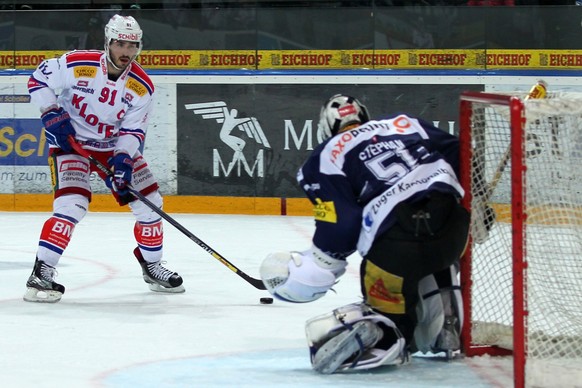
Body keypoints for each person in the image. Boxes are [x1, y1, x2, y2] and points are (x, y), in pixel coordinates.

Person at [260, 94, 471, 374]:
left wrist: (324, 265)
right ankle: (443, 325)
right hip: (454, 229)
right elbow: (462, 155)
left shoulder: (326, 155)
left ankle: (388, 333)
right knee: (434, 256)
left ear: (326, 127)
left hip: (396, 246)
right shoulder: (405, 123)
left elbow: (343, 223)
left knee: (388, 292)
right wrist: (477, 207)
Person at [23, 14, 184, 303]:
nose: (127, 52)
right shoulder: (78, 63)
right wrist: (51, 112)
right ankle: (42, 271)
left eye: (133, 46)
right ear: (109, 42)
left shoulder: (141, 86)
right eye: (121, 44)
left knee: (151, 203)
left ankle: (152, 265)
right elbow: (38, 80)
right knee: (72, 205)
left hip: (112, 148)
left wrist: (122, 161)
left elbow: (134, 130)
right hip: (70, 143)